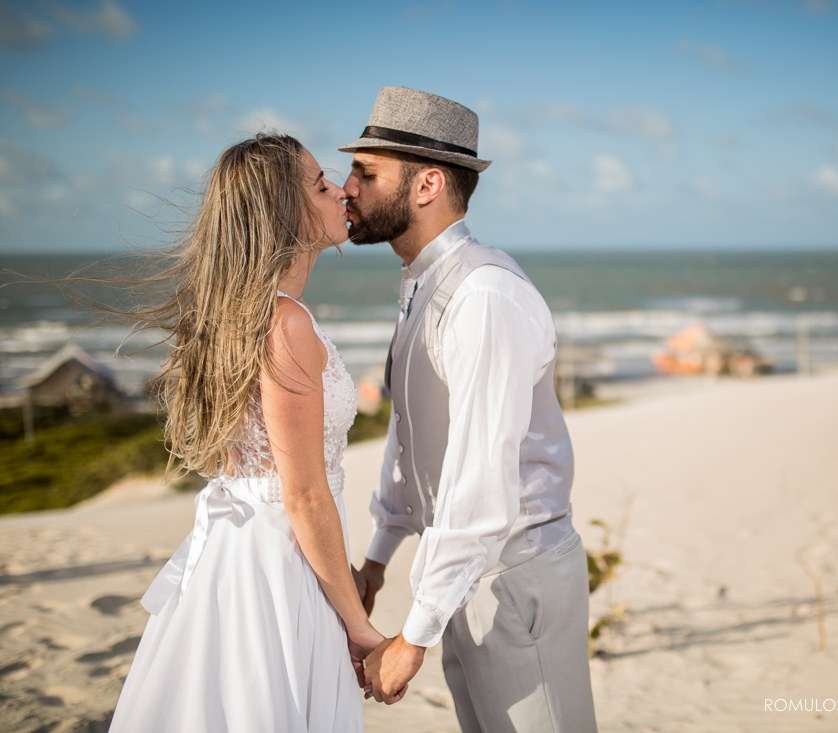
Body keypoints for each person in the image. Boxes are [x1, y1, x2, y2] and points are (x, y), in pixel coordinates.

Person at [105, 133, 384, 732]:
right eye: (320, 184)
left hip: (251, 552)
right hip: (277, 565)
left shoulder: (250, 311)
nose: (341, 191)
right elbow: (304, 494)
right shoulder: (285, 323)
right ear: (283, 212)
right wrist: (359, 626)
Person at [341, 87, 599, 733]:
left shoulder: (483, 294)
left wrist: (415, 633)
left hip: (514, 575)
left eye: (366, 172)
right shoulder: (424, 282)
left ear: (427, 184)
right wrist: (379, 555)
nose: (348, 188)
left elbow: (481, 474)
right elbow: (412, 432)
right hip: (466, 572)